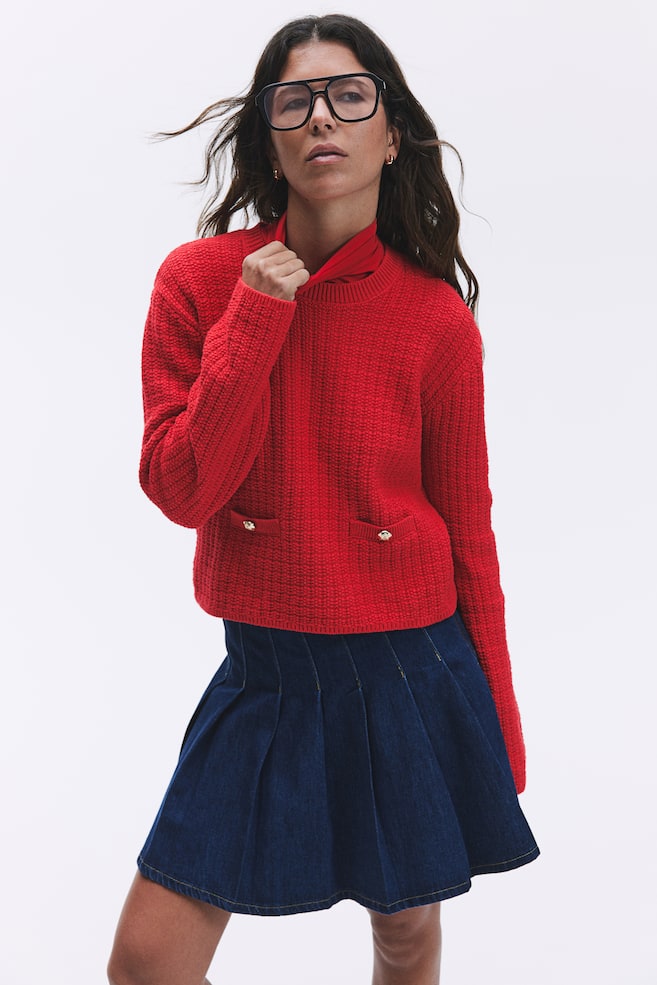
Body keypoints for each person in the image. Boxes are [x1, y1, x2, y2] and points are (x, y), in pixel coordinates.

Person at [108, 13, 539, 985]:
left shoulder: (434, 318)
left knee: (405, 936)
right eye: (293, 101)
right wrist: (256, 315)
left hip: (409, 672)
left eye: (349, 95)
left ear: (391, 134)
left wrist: (499, 719)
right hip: (262, 674)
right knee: (147, 960)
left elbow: (469, 533)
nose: (320, 118)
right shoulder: (200, 283)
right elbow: (182, 488)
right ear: (269, 139)